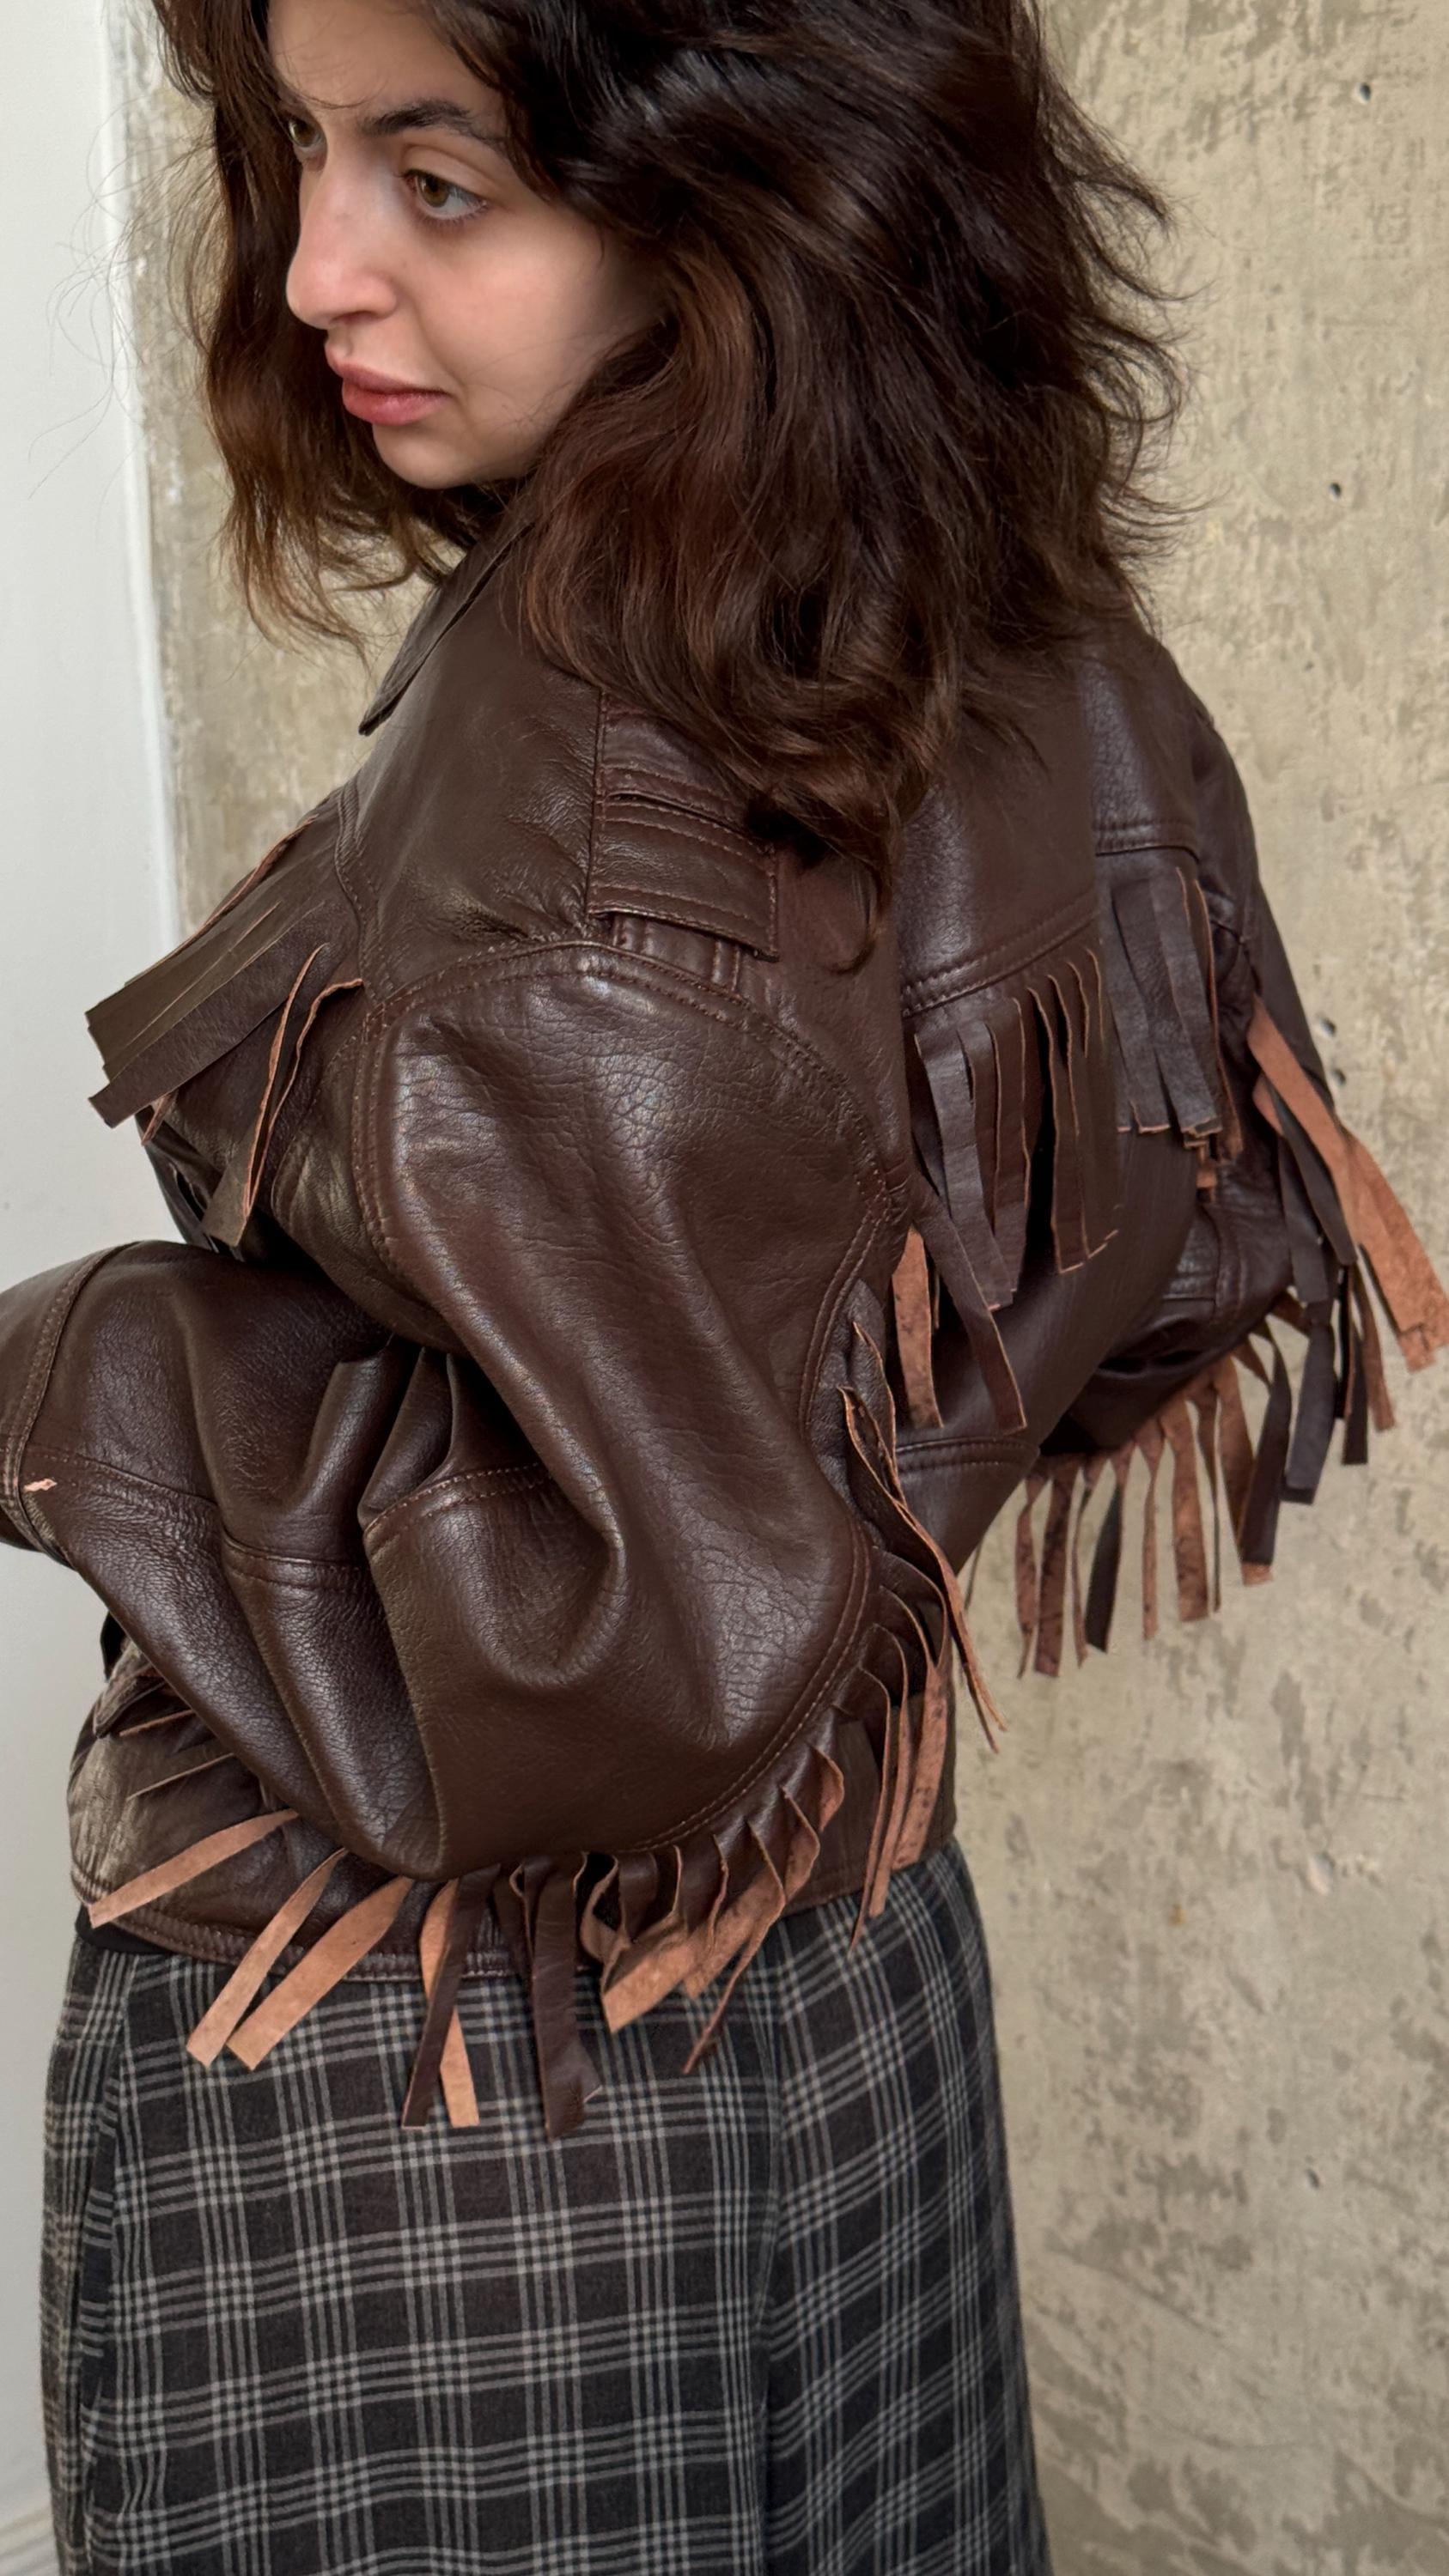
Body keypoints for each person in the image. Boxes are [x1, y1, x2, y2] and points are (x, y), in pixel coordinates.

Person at [6, 0, 1444, 2569]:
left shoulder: (583, 745)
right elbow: (1158, 1270)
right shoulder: (999, 627)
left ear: (747, 192)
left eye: (438, 181)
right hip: (841, 1966)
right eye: (303, 149)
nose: (319, 258)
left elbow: (615, 1647)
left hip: (420, 2120)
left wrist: (70, 1364)